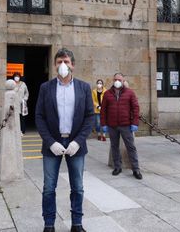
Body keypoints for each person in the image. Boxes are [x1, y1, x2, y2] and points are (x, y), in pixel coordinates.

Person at [35, 48, 93, 232]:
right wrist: (50, 142)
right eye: (59, 61)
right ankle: (49, 224)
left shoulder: (84, 87)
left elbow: (89, 117)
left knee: (77, 187)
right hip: (53, 143)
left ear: (73, 65)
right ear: (54, 65)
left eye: (66, 62)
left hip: (76, 143)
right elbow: (39, 116)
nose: (63, 65)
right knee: (49, 187)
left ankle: (77, 224)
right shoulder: (46, 88)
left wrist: (79, 141)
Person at [101, 73, 142, 180]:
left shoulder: (130, 93)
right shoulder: (107, 94)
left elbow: (135, 108)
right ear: (112, 80)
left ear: (123, 81)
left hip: (126, 125)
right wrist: (103, 124)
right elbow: (103, 110)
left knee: (131, 147)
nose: (117, 81)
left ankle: (136, 169)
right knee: (114, 147)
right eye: (115, 79)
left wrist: (134, 123)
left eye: (119, 79)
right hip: (112, 125)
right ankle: (117, 167)